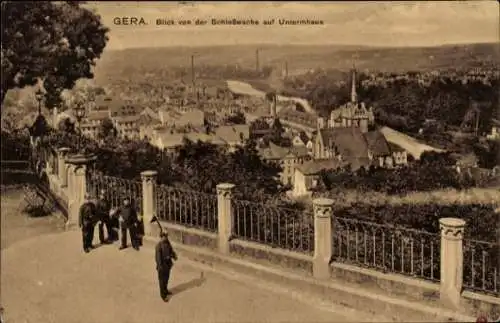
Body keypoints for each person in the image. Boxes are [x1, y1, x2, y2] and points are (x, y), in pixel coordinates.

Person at [155, 232, 178, 301]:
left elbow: (171, 251)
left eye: (166, 236)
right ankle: (163, 296)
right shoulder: (158, 246)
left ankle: (166, 291)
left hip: (168, 265)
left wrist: (174, 256)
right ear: (161, 237)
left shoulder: (167, 243)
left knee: (166, 279)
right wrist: (160, 267)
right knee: (162, 281)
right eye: (164, 237)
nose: (165, 238)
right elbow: (158, 258)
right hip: (162, 266)